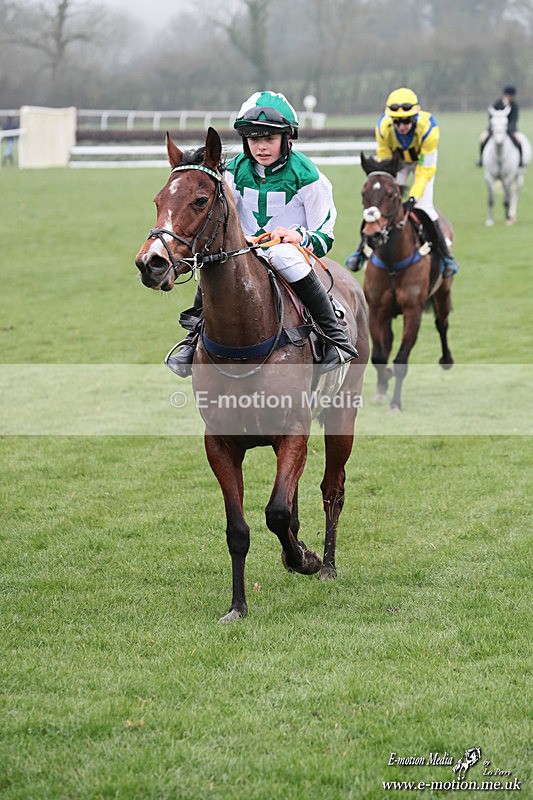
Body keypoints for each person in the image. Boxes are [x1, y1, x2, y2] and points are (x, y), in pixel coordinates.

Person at [168, 90, 357, 377]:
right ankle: (193, 338)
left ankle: (335, 337)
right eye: (254, 139)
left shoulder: (309, 175)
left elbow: (325, 235)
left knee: (282, 255)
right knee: (214, 257)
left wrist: (298, 237)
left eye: (269, 138)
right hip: (243, 251)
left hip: (290, 252)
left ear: (287, 138)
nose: (261, 147)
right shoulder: (232, 171)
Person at [345, 87, 457, 278]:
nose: (401, 126)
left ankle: (446, 258)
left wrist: (413, 196)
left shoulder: (429, 129)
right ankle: (360, 252)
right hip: (397, 163)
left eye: (406, 121)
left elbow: (424, 171)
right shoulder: (383, 128)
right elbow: (386, 164)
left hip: (422, 163)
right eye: (397, 121)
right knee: (379, 202)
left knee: (424, 206)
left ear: (414, 118)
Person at [477, 85, 522, 166]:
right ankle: (481, 159)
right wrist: (492, 127)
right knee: (483, 138)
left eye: (511, 95)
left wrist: (509, 128)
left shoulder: (514, 106)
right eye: (509, 95)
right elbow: (491, 116)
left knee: (518, 140)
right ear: (505, 95)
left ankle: (520, 160)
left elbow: (514, 119)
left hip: (510, 128)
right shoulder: (497, 103)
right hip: (495, 127)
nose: (510, 97)